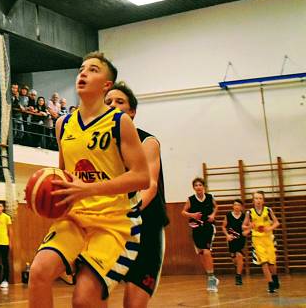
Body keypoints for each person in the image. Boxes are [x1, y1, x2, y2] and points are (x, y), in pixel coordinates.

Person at [29, 52, 149, 308]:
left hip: (115, 223)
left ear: (107, 85)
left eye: (93, 70)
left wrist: (88, 189)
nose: (83, 73)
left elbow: (142, 177)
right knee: (39, 272)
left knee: (84, 299)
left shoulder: (120, 122)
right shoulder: (63, 124)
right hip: (76, 218)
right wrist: (48, 196)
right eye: (82, 69)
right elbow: (63, 176)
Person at [106, 82, 170, 307]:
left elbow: (149, 187)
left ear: (132, 111)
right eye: (108, 102)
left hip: (146, 226)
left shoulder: (148, 142)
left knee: (133, 302)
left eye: (119, 102)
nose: (113, 105)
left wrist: (125, 214)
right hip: (112, 230)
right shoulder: (101, 148)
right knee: (88, 295)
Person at [181, 177, 219, 292]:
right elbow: (183, 212)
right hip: (196, 229)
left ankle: (211, 279)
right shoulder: (190, 199)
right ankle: (210, 276)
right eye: (196, 185)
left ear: (204, 187)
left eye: (200, 185)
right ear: (193, 188)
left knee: (207, 251)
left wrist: (213, 215)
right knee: (202, 254)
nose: (198, 187)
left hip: (208, 227)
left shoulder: (209, 197)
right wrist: (191, 215)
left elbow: (216, 206)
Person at [243, 191, 280, 293]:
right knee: (263, 262)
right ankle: (270, 283)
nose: (258, 200)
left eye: (260, 198)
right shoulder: (249, 212)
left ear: (263, 200)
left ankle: (275, 277)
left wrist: (270, 228)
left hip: (268, 238)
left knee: (271, 262)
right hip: (257, 239)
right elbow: (243, 226)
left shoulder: (268, 210)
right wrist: (250, 226)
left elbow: (277, 222)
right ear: (253, 200)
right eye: (256, 198)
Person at [222, 199, 247, 286]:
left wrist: (247, 231)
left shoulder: (244, 216)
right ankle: (237, 267)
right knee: (234, 259)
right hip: (231, 239)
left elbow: (248, 227)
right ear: (233, 206)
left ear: (241, 207)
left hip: (241, 239)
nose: (237, 206)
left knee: (239, 255)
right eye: (235, 205)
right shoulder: (228, 215)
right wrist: (227, 235)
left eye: (238, 205)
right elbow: (223, 227)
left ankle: (238, 276)